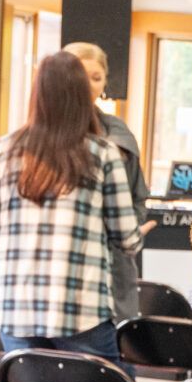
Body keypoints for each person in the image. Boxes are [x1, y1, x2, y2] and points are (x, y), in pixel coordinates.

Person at [0, 49, 145, 382]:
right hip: (81, 308)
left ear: (39, 94)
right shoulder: (102, 154)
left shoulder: (7, 148)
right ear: (81, 95)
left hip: (14, 306)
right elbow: (127, 237)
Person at [65, 41, 154, 320]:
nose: (89, 85)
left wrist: (129, 231)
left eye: (96, 78)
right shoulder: (35, 140)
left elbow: (137, 196)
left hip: (111, 267)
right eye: (82, 76)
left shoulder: (116, 134)